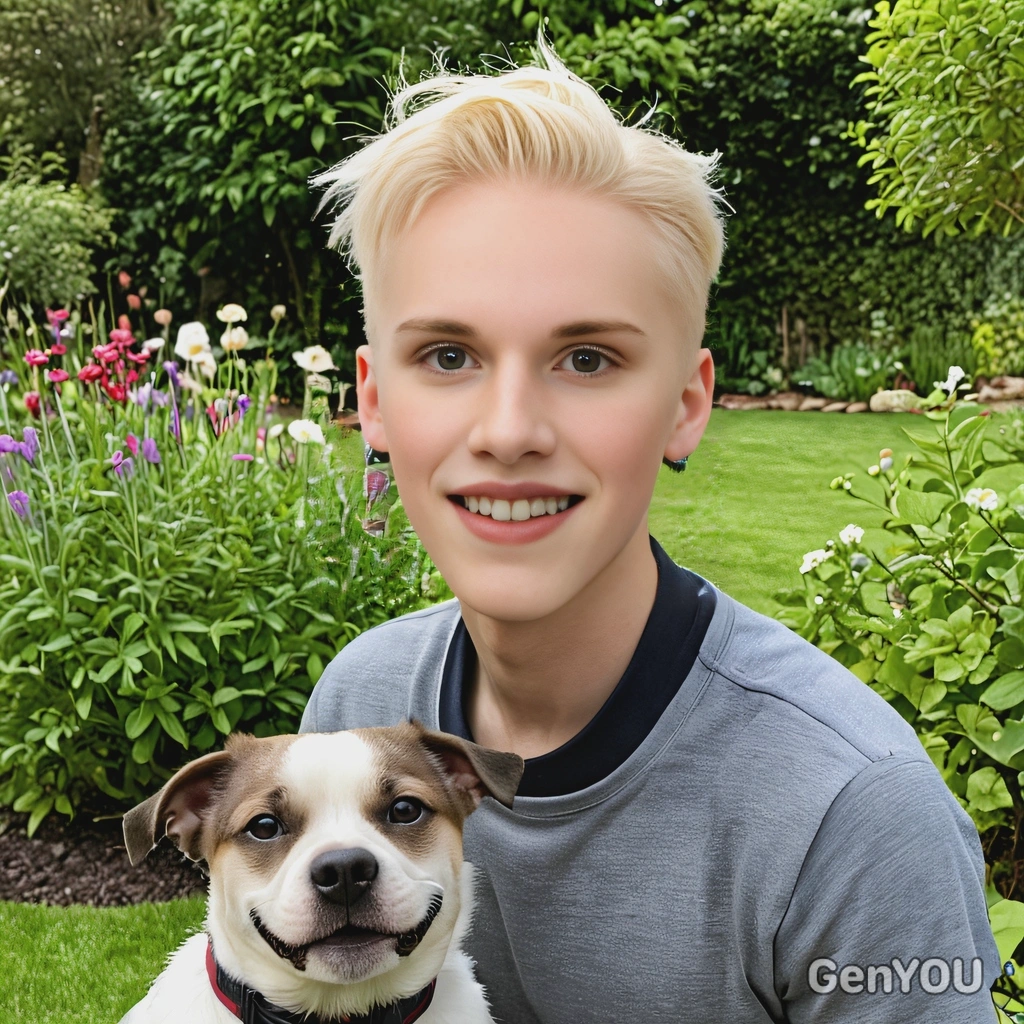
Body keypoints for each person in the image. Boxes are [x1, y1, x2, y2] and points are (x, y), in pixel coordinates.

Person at [300, 42, 1002, 1022]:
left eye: (586, 358)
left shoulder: (849, 814)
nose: (508, 431)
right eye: (448, 354)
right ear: (374, 401)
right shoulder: (361, 706)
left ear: (685, 404)